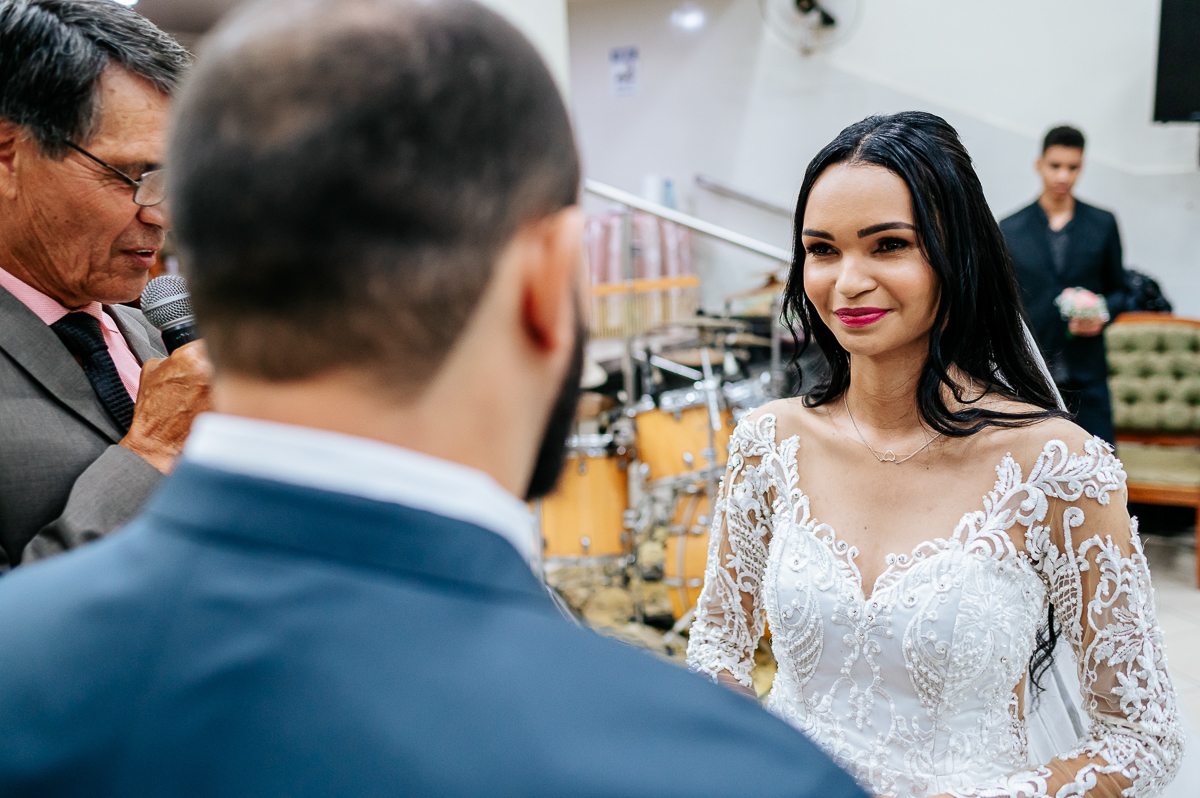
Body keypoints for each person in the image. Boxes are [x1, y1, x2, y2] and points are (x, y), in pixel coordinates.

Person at [0, 1, 869, 796]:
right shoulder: (726, 771)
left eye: (162, 183)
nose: (149, 214)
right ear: (550, 281)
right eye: (128, 176)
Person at [686, 112, 1185, 798]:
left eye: (888, 245)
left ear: (958, 256)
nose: (847, 281)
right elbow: (717, 645)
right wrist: (747, 754)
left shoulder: (1057, 468)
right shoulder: (768, 443)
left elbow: (1142, 738)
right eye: (822, 250)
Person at [0, 0, 211, 569]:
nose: (161, 215)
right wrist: (153, 452)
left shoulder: (157, 333)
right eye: (134, 176)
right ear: (9, 154)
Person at [1000, 126, 1130, 445]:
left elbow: (1121, 291)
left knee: (1101, 463)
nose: (1063, 176)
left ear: (1081, 167)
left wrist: (1102, 314)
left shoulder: (1103, 223)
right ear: (1039, 164)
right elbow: (1002, 301)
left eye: (1072, 167)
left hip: (1088, 373)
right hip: (1030, 372)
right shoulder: (1010, 228)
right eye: (1055, 165)